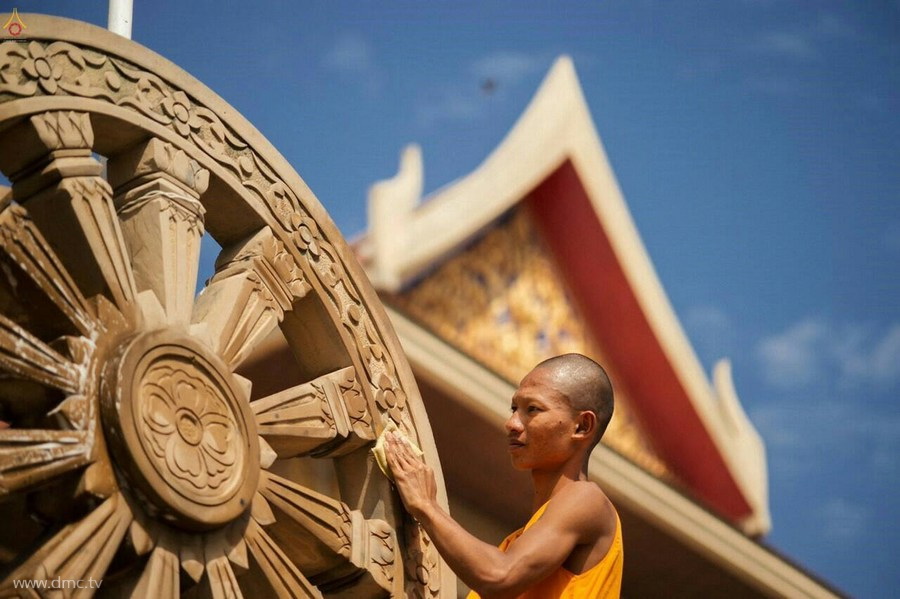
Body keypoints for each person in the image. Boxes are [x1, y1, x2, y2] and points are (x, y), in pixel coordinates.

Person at [385, 353, 623, 598]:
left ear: (582, 426)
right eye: (514, 408)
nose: (511, 423)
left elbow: (499, 575)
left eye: (532, 409)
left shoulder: (586, 499)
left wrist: (426, 506)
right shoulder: (517, 543)